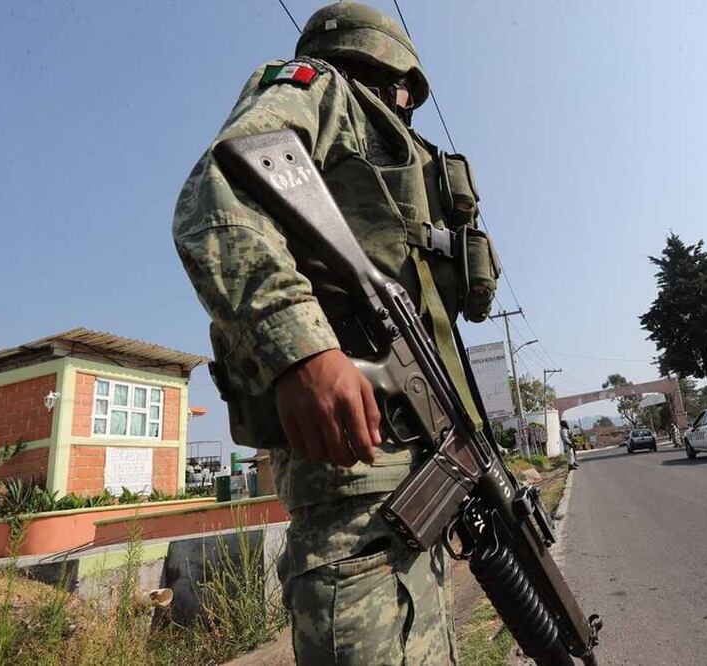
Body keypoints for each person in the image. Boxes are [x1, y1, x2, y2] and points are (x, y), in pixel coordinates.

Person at [172, 3, 501, 663]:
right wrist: (305, 352)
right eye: (404, 89)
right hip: (353, 479)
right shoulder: (321, 89)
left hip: (416, 465)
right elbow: (219, 195)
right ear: (391, 71)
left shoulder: (399, 152)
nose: (406, 105)